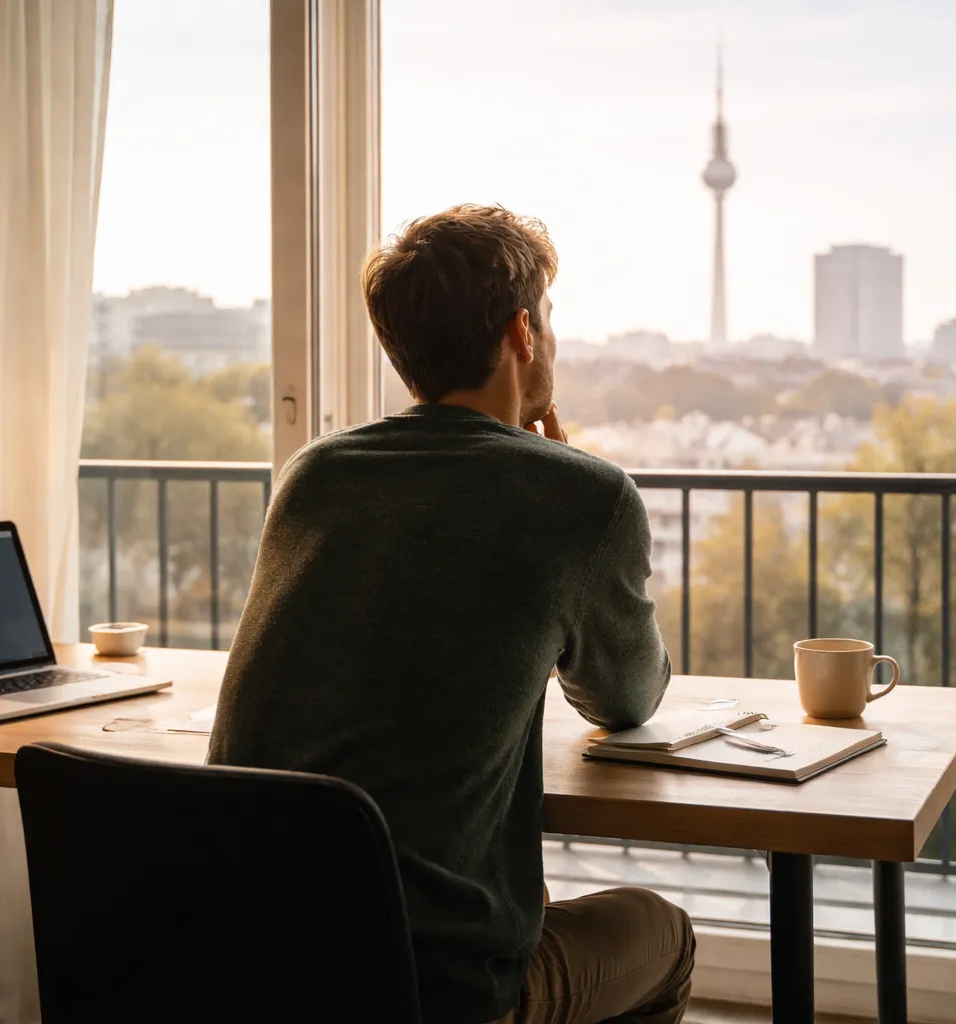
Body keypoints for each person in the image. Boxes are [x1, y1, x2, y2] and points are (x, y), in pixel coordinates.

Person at [208, 203, 693, 1023]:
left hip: (249, 968)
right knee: (663, 934)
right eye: (546, 317)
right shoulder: (580, 496)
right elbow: (627, 699)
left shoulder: (313, 474)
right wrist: (573, 490)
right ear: (521, 334)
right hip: (437, 992)